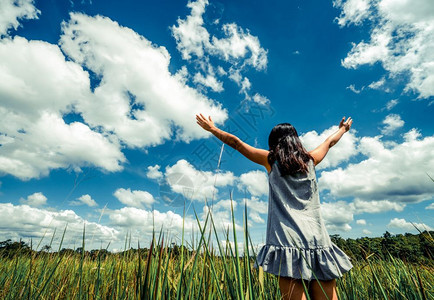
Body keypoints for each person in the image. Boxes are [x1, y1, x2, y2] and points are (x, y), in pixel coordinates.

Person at [196, 113, 354, 300]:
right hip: (317, 239)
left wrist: (213, 129)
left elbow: (237, 144)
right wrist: (343, 129)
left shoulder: (271, 160)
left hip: (287, 240)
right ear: (296, 140)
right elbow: (329, 142)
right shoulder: (311, 160)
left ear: (274, 142)